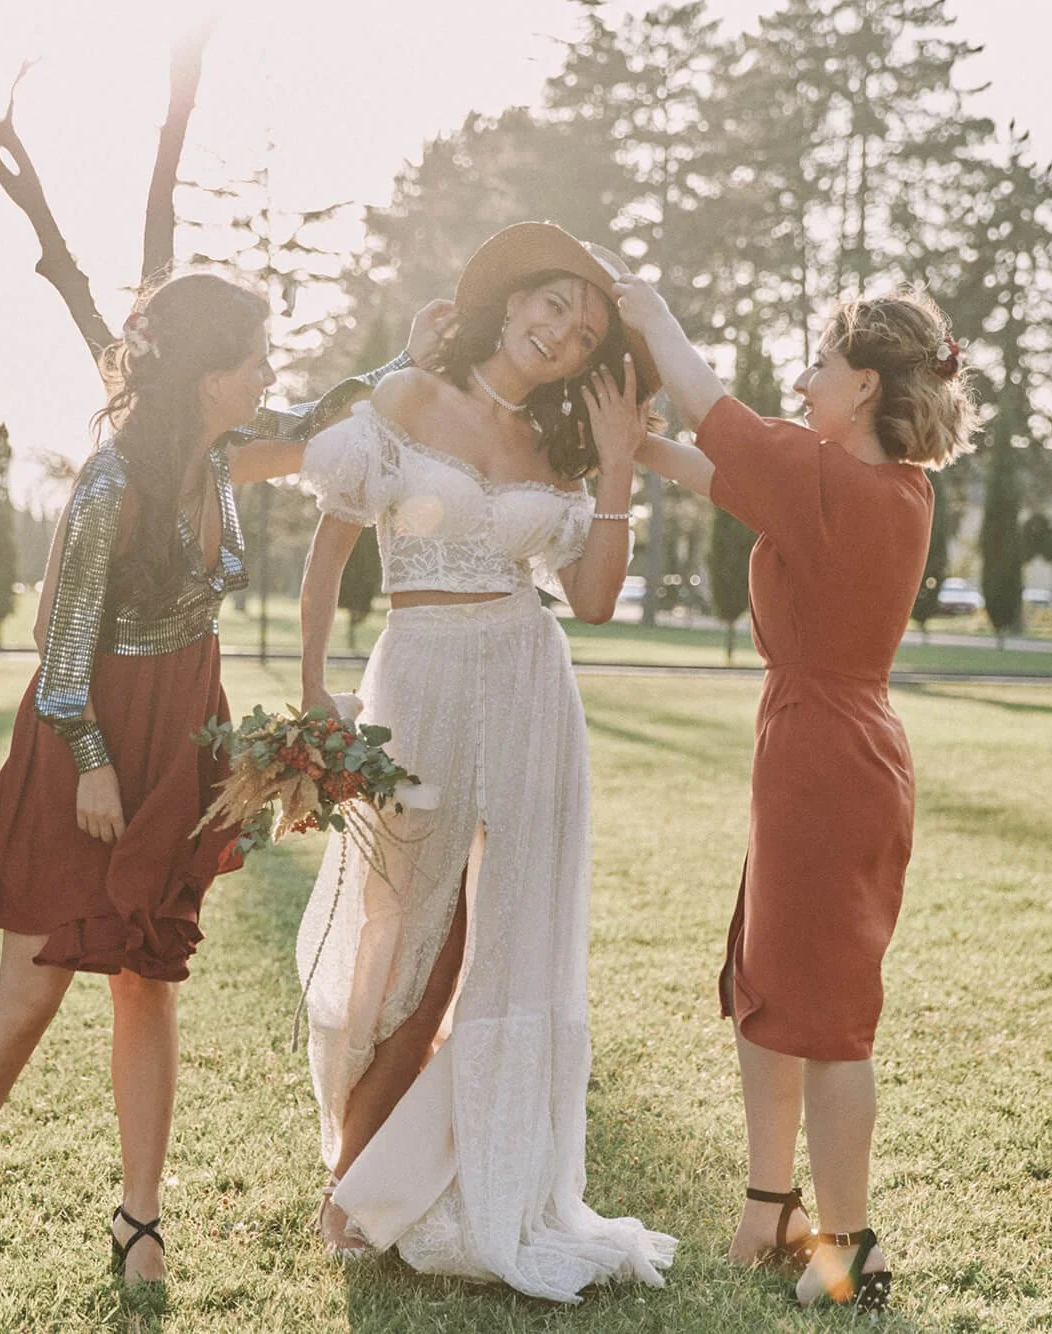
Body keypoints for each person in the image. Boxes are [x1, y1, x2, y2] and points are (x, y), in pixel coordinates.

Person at [0, 270, 439, 1300]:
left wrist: (412, 356)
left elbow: (321, 416)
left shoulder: (221, 452)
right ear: (208, 374)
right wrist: (89, 764)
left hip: (182, 728)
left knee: (149, 975)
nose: (268, 373)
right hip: (86, 737)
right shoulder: (109, 483)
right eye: (254, 359)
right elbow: (58, 641)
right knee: (30, 990)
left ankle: (141, 1217)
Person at [293, 222, 676, 1301]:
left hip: (526, 681)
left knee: (511, 929)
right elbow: (329, 547)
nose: (560, 331)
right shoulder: (407, 398)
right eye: (552, 304)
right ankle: (354, 1171)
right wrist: (314, 682)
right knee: (400, 924)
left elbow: (593, 598)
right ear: (510, 300)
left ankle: (473, 1173)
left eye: (584, 329)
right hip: (414, 676)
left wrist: (610, 466)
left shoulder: (561, 445)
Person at [615, 274, 974, 1311]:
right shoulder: (872, 488)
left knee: (829, 1019)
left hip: (826, 762)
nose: (803, 379)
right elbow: (724, 468)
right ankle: (769, 1209)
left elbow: (716, 418)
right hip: (824, 752)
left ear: (861, 385)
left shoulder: (838, 487)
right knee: (770, 991)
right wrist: (641, 449)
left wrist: (654, 314)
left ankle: (844, 1257)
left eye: (819, 365)